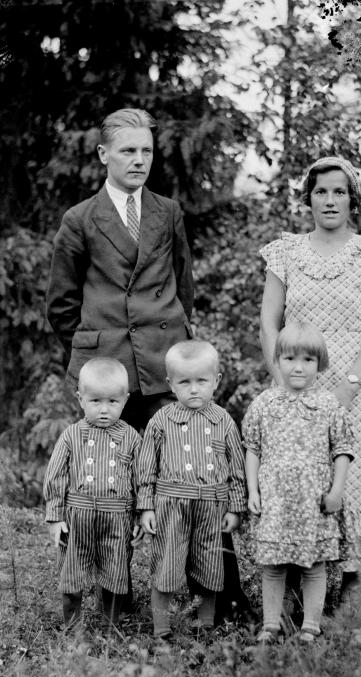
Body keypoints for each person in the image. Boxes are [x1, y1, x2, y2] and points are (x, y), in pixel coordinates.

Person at [259, 156, 361, 604]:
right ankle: (296, 583)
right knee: (298, 478)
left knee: (357, 480)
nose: (330, 200)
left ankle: (353, 590)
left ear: (352, 199)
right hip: (297, 383)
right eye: (321, 191)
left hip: (356, 387)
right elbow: (268, 323)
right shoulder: (284, 253)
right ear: (309, 199)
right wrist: (284, 382)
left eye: (339, 191)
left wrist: (347, 389)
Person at [46, 107, 194, 432]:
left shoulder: (168, 212)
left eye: (146, 151)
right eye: (128, 151)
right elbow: (60, 306)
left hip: (164, 366)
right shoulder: (79, 220)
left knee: (173, 457)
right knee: (107, 462)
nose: (139, 161)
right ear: (104, 154)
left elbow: (184, 287)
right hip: (105, 376)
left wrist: (171, 337)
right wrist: (94, 347)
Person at [243, 323, 353, 643]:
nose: (298, 367)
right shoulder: (265, 403)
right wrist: (253, 490)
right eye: (290, 358)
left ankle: (310, 626)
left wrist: (336, 491)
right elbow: (253, 448)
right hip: (275, 500)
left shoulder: (329, 405)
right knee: (273, 566)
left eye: (308, 360)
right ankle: (271, 625)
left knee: (313, 566)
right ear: (278, 360)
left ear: (320, 364)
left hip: (312, 502)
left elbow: (343, 450)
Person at [135, 340, 247, 640]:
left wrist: (236, 507)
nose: (194, 389)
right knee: (167, 566)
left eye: (202, 381)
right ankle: (161, 630)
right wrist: (146, 506)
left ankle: (205, 625)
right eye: (184, 382)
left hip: (211, 506)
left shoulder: (223, 420)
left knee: (210, 566)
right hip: (171, 504)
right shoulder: (162, 420)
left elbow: (236, 468)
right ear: (170, 384)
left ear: (216, 381)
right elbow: (146, 466)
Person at [43, 357, 140, 628]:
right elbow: (56, 475)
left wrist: (141, 515)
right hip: (78, 517)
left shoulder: (132, 437)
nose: (104, 409)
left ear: (125, 400)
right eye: (96, 401)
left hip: (116, 519)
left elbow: (142, 479)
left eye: (113, 401)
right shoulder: (71, 435)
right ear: (80, 399)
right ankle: (72, 628)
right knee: (72, 574)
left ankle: (111, 627)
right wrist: (55, 516)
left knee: (115, 572)